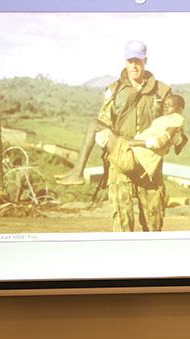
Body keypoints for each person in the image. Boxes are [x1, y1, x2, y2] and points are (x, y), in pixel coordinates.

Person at [57, 40, 173, 232]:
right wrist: (107, 142)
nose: (134, 65)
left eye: (138, 60)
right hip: (120, 161)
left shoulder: (162, 91)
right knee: (122, 222)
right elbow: (104, 122)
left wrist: (163, 143)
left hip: (149, 165)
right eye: (130, 60)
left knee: (153, 224)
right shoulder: (114, 90)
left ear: (146, 61)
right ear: (125, 61)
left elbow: (173, 126)